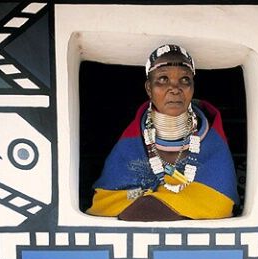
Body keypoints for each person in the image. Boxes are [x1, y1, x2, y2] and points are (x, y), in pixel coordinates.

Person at [87, 44, 239, 221]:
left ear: (193, 87)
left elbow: (220, 201)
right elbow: (107, 199)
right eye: (163, 79)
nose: (175, 88)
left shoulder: (212, 140)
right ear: (149, 88)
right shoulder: (132, 141)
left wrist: (151, 202)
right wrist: (170, 202)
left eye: (184, 80)